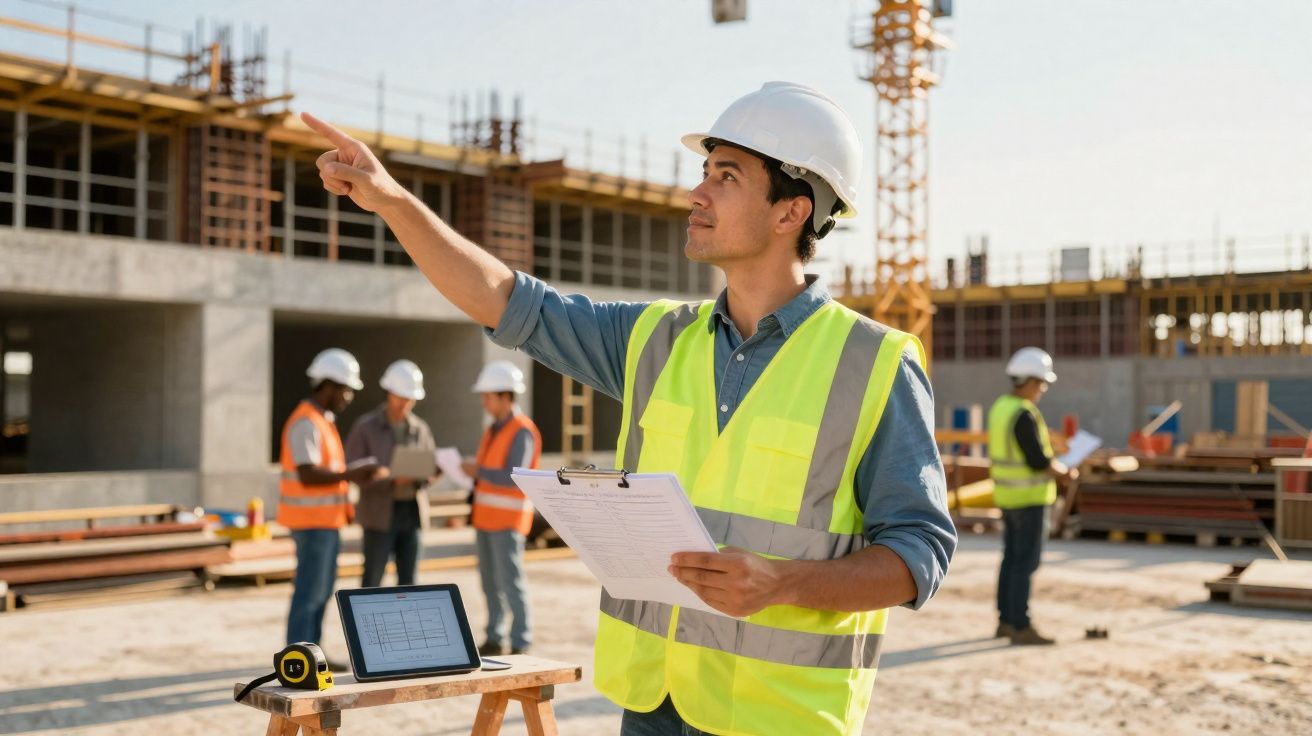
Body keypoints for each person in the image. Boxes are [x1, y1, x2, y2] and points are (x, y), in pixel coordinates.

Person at [302, 80, 955, 736]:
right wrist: (392, 201)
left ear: (792, 211)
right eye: (704, 172)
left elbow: (918, 552)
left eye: (726, 177)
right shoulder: (655, 340)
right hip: (652, 705)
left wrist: (783, 583)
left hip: (780, 717)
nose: (696, 193)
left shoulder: (873, 363)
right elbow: (506, 300)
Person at [279, 348, 381, 660]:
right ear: (328, 386)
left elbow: (329, 472)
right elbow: (308, 474)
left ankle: (313, 654)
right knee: (309, 594)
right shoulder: (306, 422)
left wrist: (350, 474)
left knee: (320, 593)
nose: (349, 397)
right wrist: (352, 473)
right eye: (346, 389)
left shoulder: (323, 421)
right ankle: (298, 658)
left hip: (326, 522)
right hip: (311, 524)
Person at [988, 346, 1078, 646]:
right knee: (1025, 563)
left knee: (1011, 560)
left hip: (1007, 497)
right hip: (1028, 499)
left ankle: (1005, 621)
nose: (1042, 390)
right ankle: (1020, 624)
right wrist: (1064, 472)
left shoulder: (1000, 407)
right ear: (1029, 381)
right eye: (1041, 384)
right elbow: (1037, 460)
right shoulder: (1023, 413)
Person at [462, 360, 541, 657]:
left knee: (511, 583)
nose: (484, 401)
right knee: (490, 583)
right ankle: (494, 637)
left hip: (508, 521)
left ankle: (521, 640)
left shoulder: (522, 431)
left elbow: (514, 475)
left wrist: (477, 471)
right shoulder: (493, 430)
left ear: (505, 396)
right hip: (485, 519)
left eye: (488, 396)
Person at [345, 359, 437, 588]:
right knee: (372, 581)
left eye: (410, 398)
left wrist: (429, 475)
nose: (405, 403)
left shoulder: (420, 429)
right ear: (389, 392)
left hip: (411, 513)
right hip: (378, 515)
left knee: (409, 583)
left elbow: (430, 464)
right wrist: (391, 480)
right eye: (400, 397)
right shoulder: (365, 428)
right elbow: (353, 471)